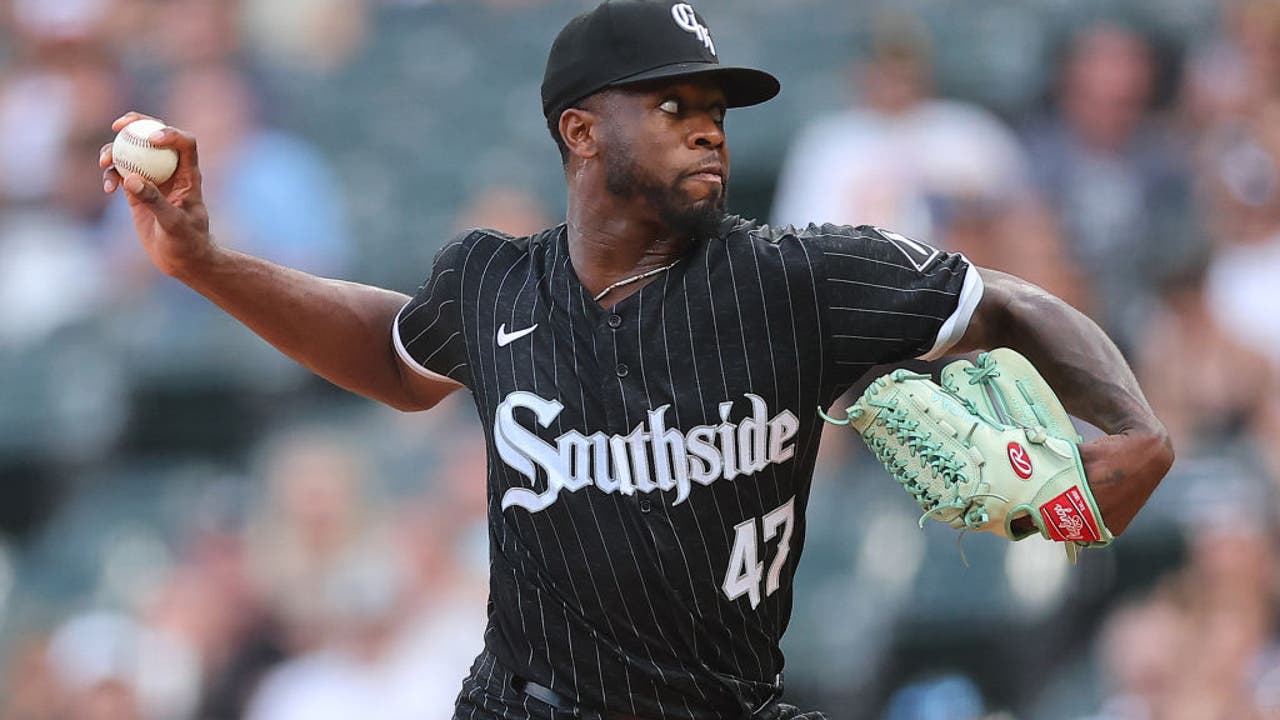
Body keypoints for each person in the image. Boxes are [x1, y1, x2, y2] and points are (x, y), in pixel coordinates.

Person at [98, 3, 1173, 718]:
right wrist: (204, 265)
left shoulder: (796, 278)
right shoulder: (493, 284)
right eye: (672, 108)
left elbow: (1007, 302)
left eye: (713, 111)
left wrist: (1132, 433)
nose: (707, 131)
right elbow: (390, 354)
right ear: (578, 132)